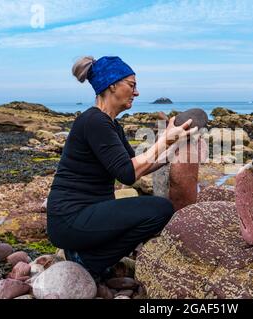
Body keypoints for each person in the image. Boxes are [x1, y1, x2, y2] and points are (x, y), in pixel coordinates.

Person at [46, 56, 197, 280]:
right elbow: (128, 174)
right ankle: (90, 260)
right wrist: (163, 140)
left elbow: (135, 166)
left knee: (149, 210)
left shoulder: (111, 125)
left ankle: (87, 252)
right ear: (112, 85)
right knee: (159, 210)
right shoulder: (93, 121)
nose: (136, 93)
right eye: (132, 85)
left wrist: (171, 151)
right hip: (70, 219)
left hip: (82, 217)